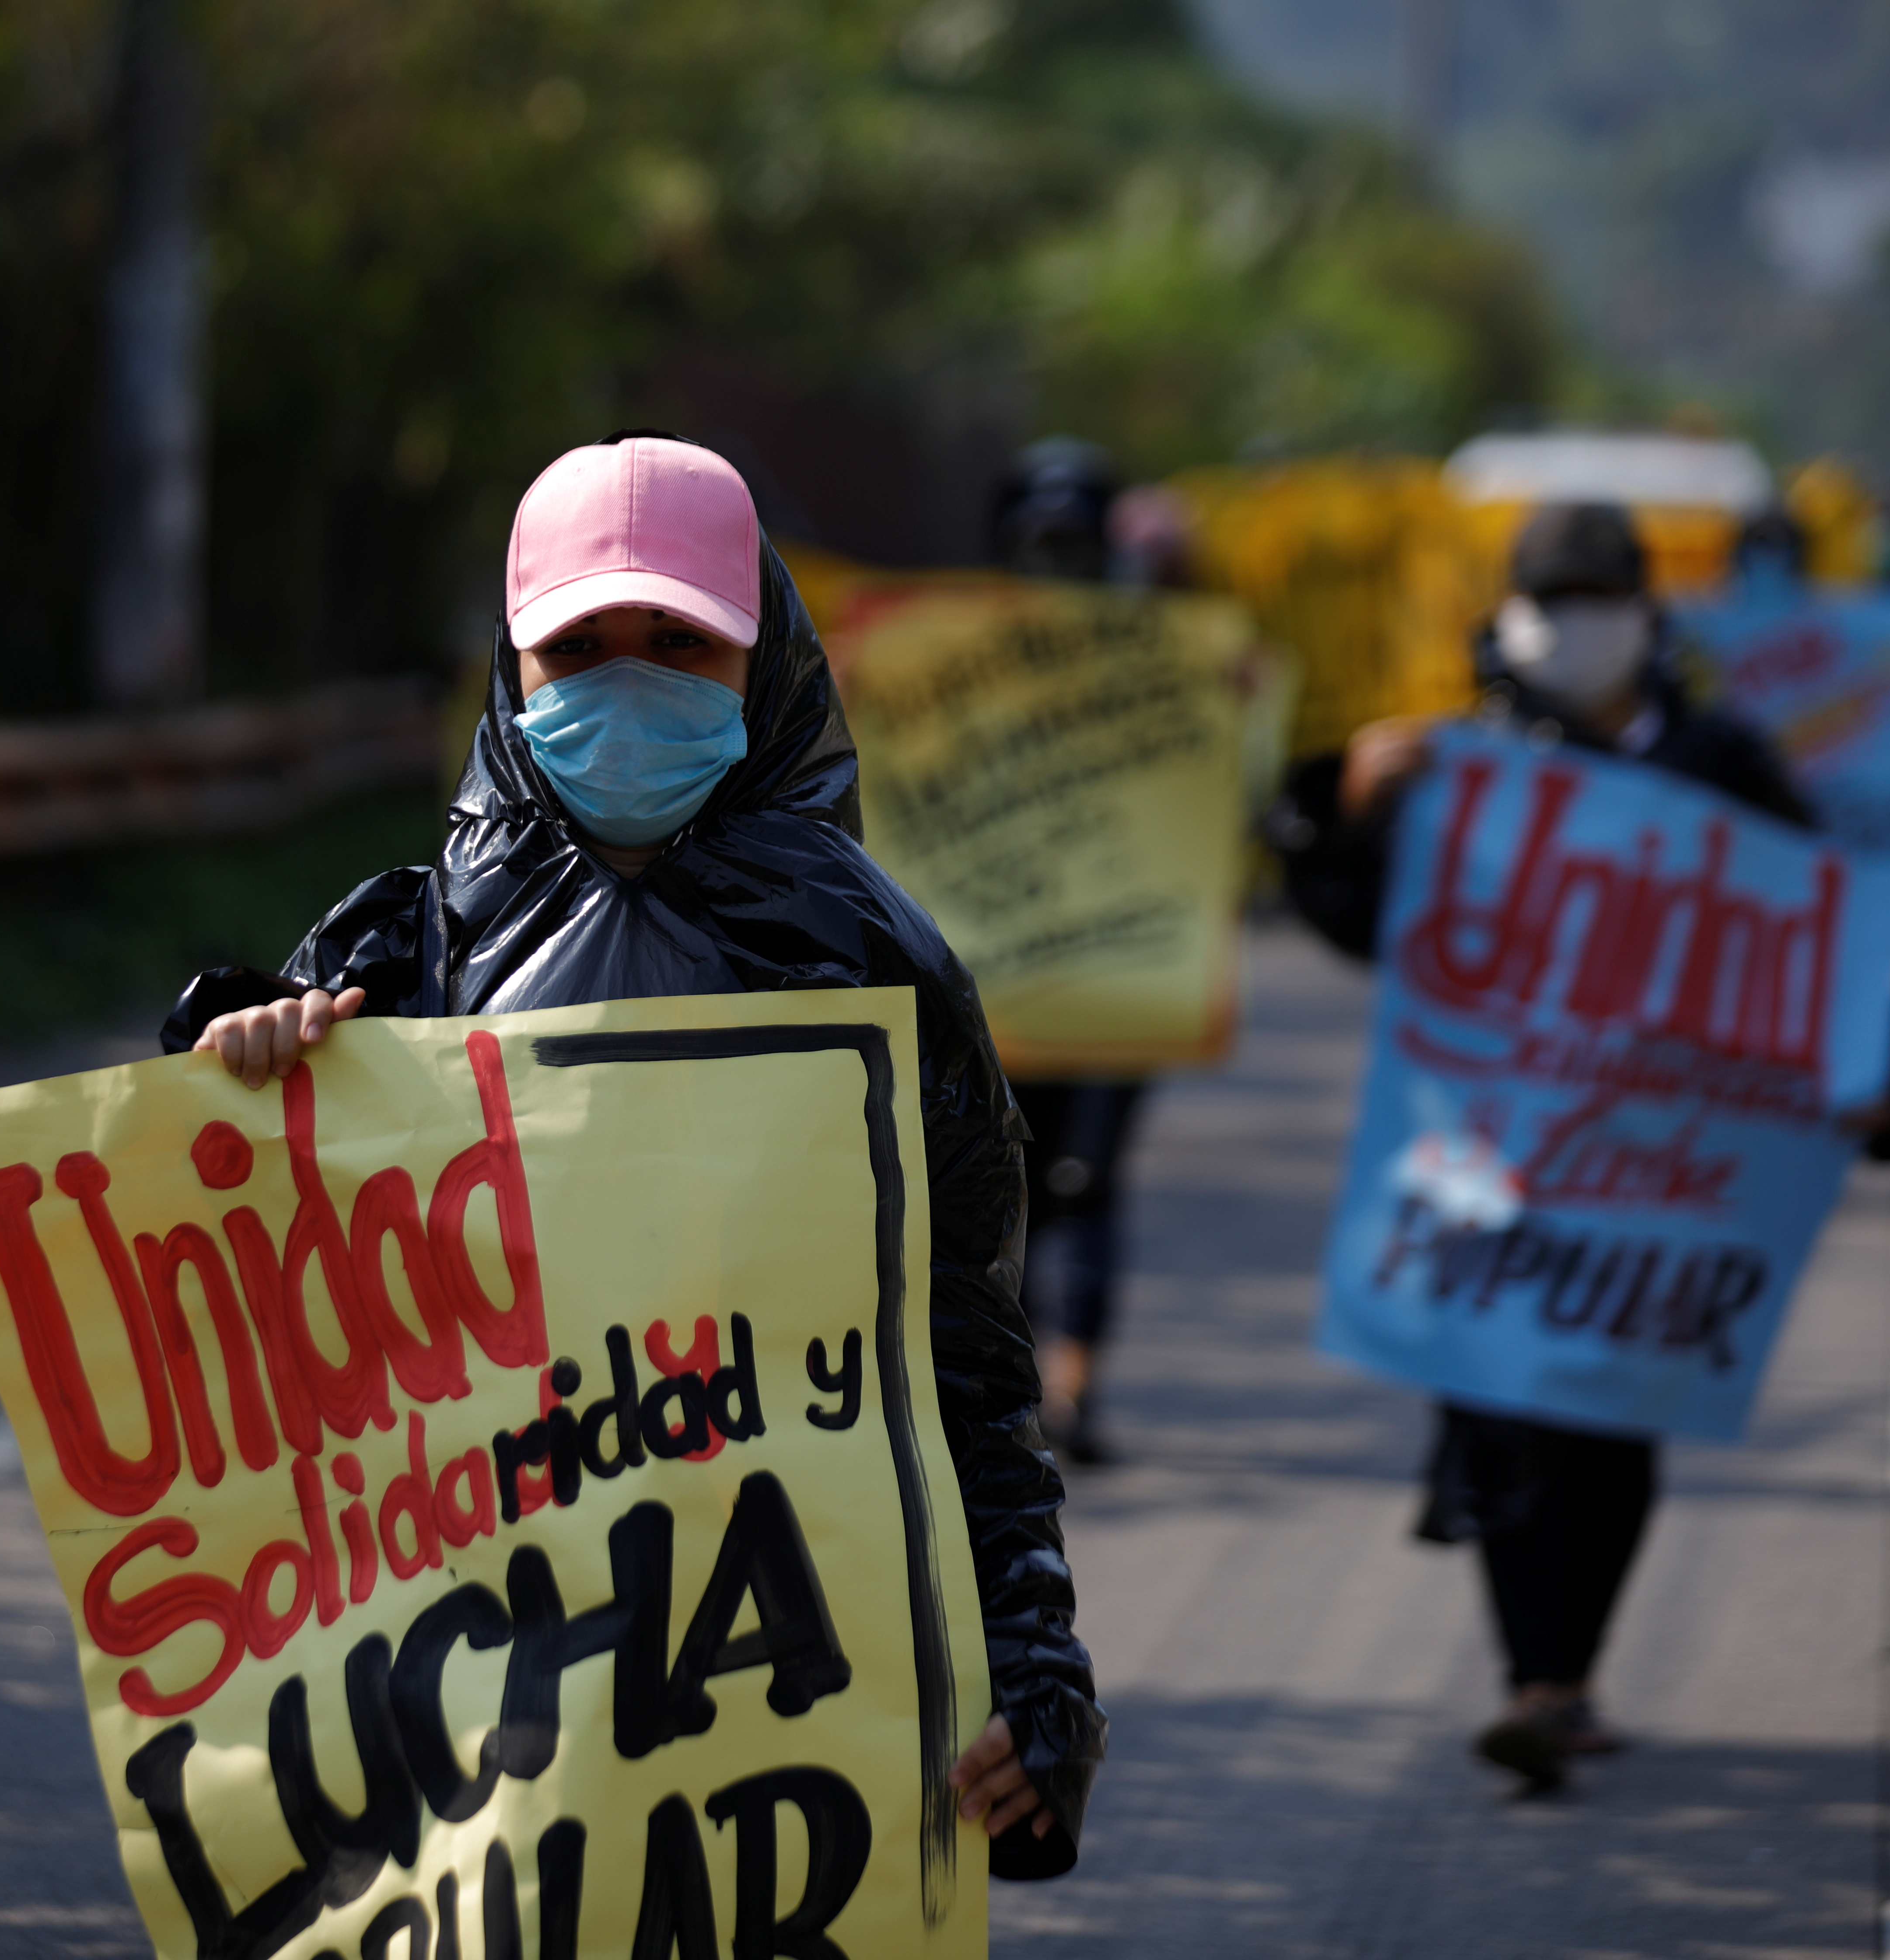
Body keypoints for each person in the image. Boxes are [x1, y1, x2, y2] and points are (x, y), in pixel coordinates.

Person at [168, 431, 1107, 1872]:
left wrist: (1033, 1663)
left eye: (679, 641)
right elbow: (260, 1338)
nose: (627, 684)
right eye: (579, 646)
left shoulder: (876, 969)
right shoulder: (399, 953)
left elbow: (965, 1354)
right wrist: (245, 1070)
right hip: (475, 1657)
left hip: (772, 1652)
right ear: (511, 668)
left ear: (768, 658)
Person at [1268, 502, 1828, 1793]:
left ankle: (1564, 1673)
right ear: (1516, 616)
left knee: (1614, 1417)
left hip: (1659, 1157)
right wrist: (1344, 804)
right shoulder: (1465, 764)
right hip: (1487, 1148)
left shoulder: (1726, 761)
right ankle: (1540, 1679)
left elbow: (1817, 938)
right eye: (1552, 600)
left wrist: (1876, 1076)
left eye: (1595, 598)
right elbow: (1366, 930)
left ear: (1643, 612)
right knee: (1495, 1401)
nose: (1574, 626)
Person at [986, 438, 1171, 1466]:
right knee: (999, 1176)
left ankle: (1076, 1389)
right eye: (1038, 539)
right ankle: (1012, 1386)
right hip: (1003, 975)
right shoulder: (960, 660)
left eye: (1071, 537)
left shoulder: (1164, 661)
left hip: (1120, 973)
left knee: (1089, 1176)